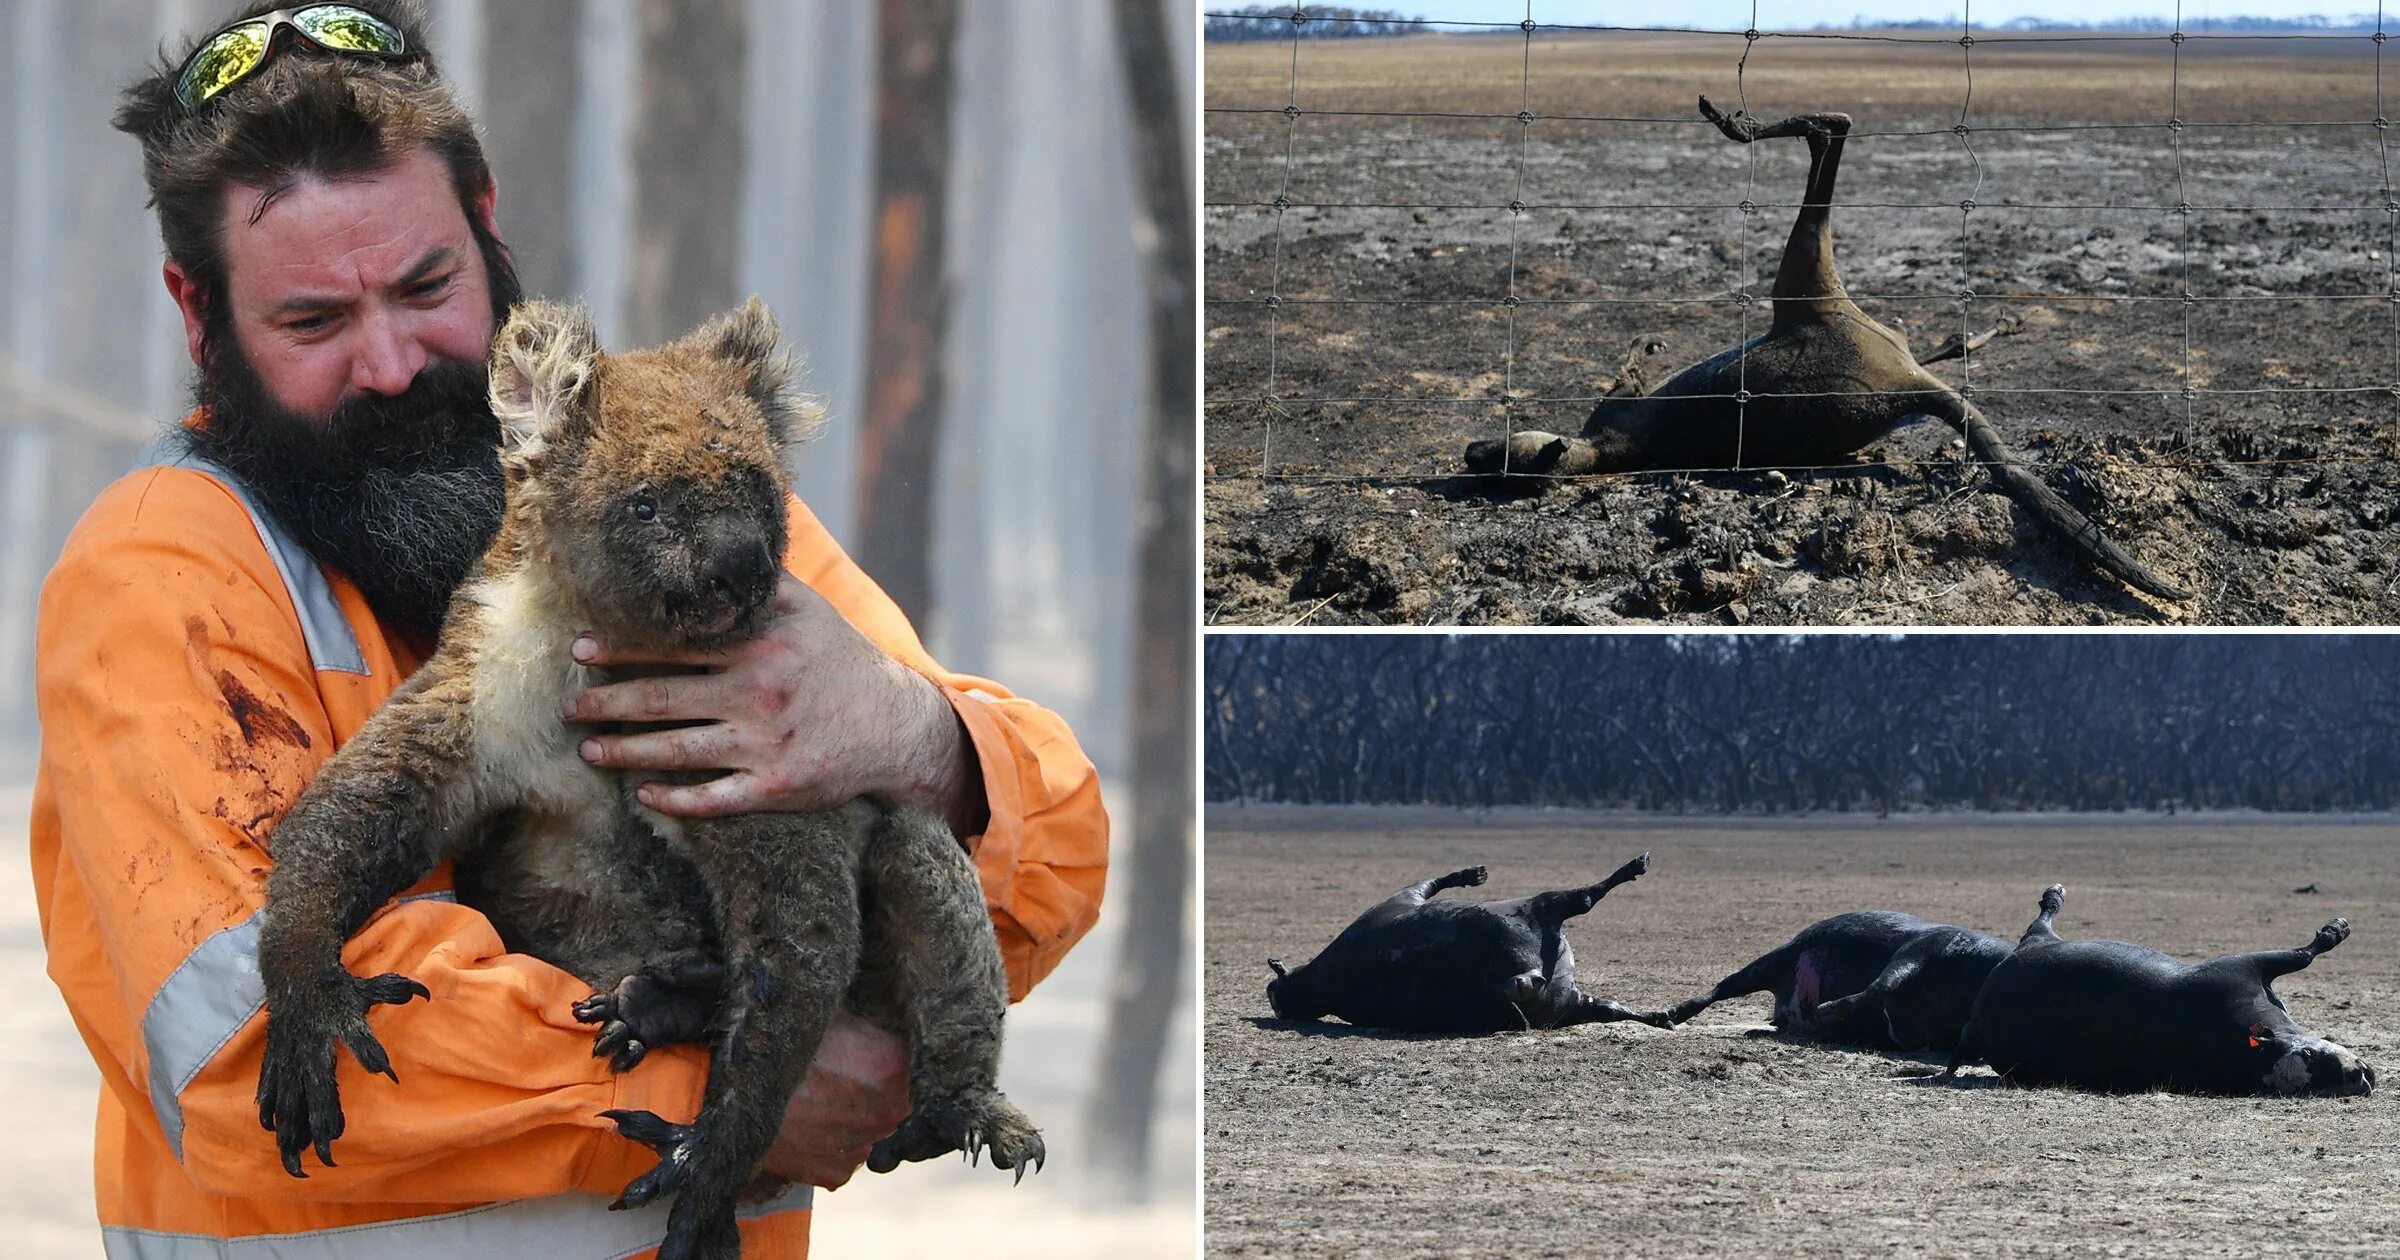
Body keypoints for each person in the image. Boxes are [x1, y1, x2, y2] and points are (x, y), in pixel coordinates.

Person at [28, 2, 1108, 1256]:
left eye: (428, 285)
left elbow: (1052, 867)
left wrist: (915, 739)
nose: (390, 362)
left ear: (488, 228)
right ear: (198, 312)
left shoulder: (676, 488)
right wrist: (702, 1089)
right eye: (313, 321)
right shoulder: (164, 568)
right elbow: (230, 1047)